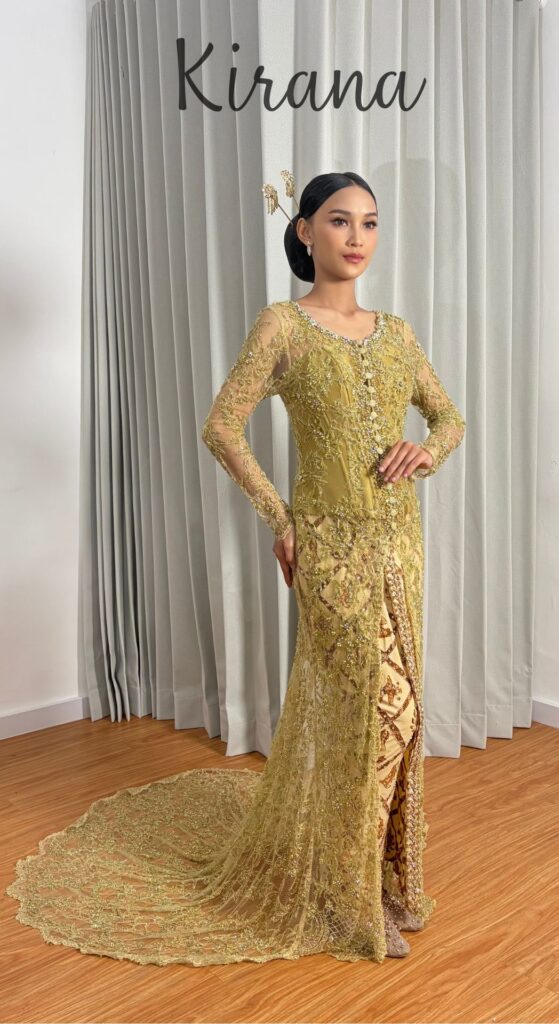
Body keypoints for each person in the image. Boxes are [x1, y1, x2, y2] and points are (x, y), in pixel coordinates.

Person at [6, 171, 465, 967]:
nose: (357, 237)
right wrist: (281, 521)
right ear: (305, 232)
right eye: (339, 221)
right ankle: (350, 893)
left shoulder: (396, 333)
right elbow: (221, 426)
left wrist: (427, 450)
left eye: (370, 222)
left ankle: (377, 879)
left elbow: (449, 416)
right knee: (376, 710)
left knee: (401, 712)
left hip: (400, 544)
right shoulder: (282, 326)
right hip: (328, 548)